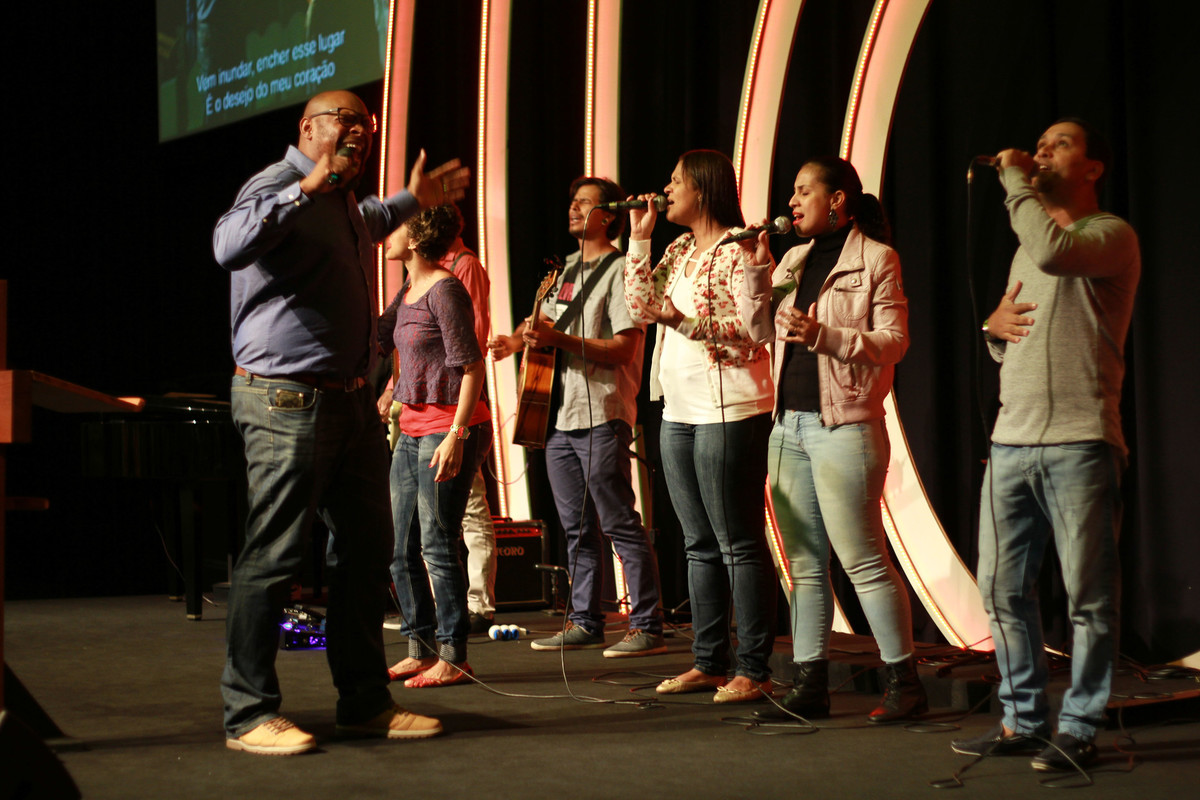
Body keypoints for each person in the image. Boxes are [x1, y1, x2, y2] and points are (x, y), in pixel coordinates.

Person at [213, 88, 467, 755]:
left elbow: (373, 219)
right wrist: (305, 187)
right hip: (283, 400)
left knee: (365, 550)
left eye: (367, 124)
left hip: (350, 403)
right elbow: (227, 244)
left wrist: (412, 200)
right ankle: (247, 714)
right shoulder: (278, 184)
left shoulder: (345, 204)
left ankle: (363, 701)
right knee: (274, 555)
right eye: (345, 121)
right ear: (309, 128)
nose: (359, 132)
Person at [949, 119, 1140, 771]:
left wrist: (1012, 182)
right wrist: (992, 328)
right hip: (1011, 441)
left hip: (1081, 442)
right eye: (1040, 143)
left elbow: (1055, 251)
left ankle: (1081, 724)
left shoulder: (1107, 235)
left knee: (1088, 595)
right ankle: (1022, 720)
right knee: (1002, 588)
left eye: (1061, 143)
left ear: (1093, 169)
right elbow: (1012, 328)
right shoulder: (1027, 243)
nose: (1043, 150)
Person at [741, 157, 925, 723]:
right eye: (792, 193)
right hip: (788, 427)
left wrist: (826, 335)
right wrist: (754, 270)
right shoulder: (792, 258)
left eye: (803, 191)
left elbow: (894, 342)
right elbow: (755, 333)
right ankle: (810, 684)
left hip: (844, 426)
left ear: (838, 199)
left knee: (863, 558)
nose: (792, 202)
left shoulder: (876, 259)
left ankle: (905, 683)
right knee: (804, 563)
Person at [489, 177, 666, 658]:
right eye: (571, 201)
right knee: (576, 528)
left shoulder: (621, 270)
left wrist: (560, 341)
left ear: (608, 214)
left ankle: (647, 623)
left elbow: (625, 349)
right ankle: (587, 618)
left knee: (619, 523)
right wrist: (514, 339)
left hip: (601, 412)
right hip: (557, 416)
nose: (572, 208)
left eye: (584, 203)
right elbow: (543, 323)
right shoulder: (562, 268)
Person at [624, 150, 778, 702]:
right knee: (697, 544)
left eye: (676, 181)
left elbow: (751, 330)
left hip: (730, 408)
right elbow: (640, 307)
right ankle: (709, 661)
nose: (666, 190)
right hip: (679, 409)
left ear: (704, 189)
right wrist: (638, 242)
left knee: (737, 541)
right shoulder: (678, 249)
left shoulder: (740, 249)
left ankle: (753, 667)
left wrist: (682, 319)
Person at [377, 206, 493, 688]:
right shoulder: (407, 291)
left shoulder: (445, 289)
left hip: (449, 426)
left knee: (436, 543)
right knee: (399, 545)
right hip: (412, 425)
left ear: (418, 238)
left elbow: (472, 366)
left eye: (396, 226)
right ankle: (419, 647)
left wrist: (457, 435)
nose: (386, 235)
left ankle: (453, 653)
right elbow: (377, 340)